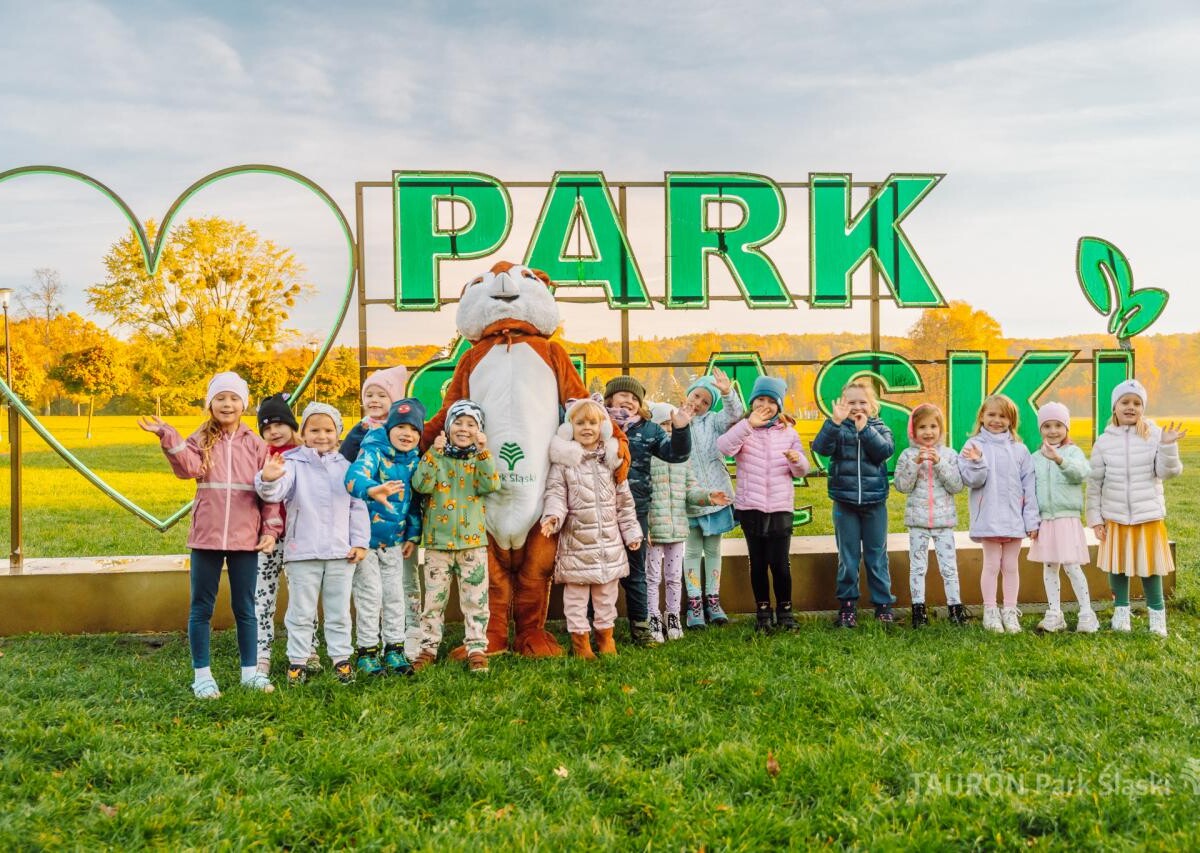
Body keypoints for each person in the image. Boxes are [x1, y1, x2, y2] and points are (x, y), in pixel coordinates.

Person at [138, 371, 282, 698]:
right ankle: (202, 675)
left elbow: (269, 493)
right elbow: (187, 468)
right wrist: (168, 436)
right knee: (201, 607)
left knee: (246, 606)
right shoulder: (201, 438)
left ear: (243, 404)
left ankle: (250, 674)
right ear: (211, 403)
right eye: (220, 398)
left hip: (246, 538)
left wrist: (270, 530)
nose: (227, 404)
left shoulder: (257, 445)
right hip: (207, 536)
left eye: (233, 398)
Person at [257, 402, 370, 686]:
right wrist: (268, 479)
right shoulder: (293, 463)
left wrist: (360, 542)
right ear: (304, 433)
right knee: (301, 612)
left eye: (328, 430)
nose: (322, 436)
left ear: (338, 433)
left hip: (339, 553)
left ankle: (341, 658)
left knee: (339, 610)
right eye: (314, 430)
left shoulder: (347, 467)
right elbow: (277, 491)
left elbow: (357, 506)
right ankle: (298, 660)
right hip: (302, 552)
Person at [541, 396, 643, 658]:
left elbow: (624, 502)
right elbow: (555, 494)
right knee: (575, 598)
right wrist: (553, 516)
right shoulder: (564, 464)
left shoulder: (612, 461)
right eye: (580, 423)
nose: (587, 428)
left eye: (593, 423)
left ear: (603, 427)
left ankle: (605, 637)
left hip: (608, 543)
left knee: (606, 597)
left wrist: (631, 532)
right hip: (577, 544)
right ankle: (580, 642)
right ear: (569, 428)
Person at [1086, 380, 1185, 636]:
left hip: (1147, 516)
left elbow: (1168, 472)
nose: (1131, 407)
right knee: (1117, 567)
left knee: (1150, 568)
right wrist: (1096, 518)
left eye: (1137, 403)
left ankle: (1157, 616)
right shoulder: (1104, 441)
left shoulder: (1154, 435)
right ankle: (1121, 613)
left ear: (1143, 407)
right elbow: (1094, 483)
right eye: (1125, 402)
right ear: (1115, 407)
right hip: (1115, 516)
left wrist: (1168, 446)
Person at [411, 400, 501, 673]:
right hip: (438, 544)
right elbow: (420, 484)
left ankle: (476, 648)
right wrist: (434, 455)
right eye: (458, 423)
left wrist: (484, 453)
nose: (464, 429)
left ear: (479, 430)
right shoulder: (435, 456)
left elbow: (492, 484)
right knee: (434, 600)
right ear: (448, 428)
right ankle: (428, 647)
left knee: (476, 599)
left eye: (471, 424)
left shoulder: (479, 459)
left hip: (472, 543)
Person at [717, 376, 810, 632]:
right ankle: (763, 612)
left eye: (771, 401)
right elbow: (724, 447)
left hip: (780, 508)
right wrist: (748, 424)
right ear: (752, 402)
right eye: (760, 399)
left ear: (779, 405)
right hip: (751, 508)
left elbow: (803, 469)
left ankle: (785, 612)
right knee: (757, 563)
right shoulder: (744, 429)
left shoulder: (788, 432)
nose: (765, 405)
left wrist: (796, 459)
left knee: (780, 563)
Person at [604, 376, 692, 646]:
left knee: (636, 572)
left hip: (636, 510)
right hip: (600, 511)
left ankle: (641, 628)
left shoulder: (651, 430)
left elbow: (676, 455)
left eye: (634, 398)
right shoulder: (599, 425)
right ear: (609, 400)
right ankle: (595, 628)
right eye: (622, 396)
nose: (628, 401)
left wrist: (680, 430)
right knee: (599, 570)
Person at [344, 398, 426, 676]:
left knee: (394, 595)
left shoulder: (414, 460)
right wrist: (372, 489)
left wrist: (413, 535)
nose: (407, 434)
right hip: (365, 542)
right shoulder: (373, 452)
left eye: (414, 430)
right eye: (401, 427)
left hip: (393, 542)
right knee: (370, 595)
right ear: (389, 427)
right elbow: (353, 477)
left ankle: (394, 649)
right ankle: (367, 651)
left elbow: (414, 502)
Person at [811, 380, 896, 627]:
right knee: (847, 557)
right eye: (851, 402)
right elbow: (821, 448)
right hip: (845, 503)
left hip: (874, 503)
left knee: (876, 555)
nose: (857, 406)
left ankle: (883, 605)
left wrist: (864, 430)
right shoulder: (837, 428)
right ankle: (847, 606)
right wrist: (834, 423)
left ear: (872, 406)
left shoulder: (880, 427)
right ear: (841, 405)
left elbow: (884, 451)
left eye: (862, 402)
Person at [645, 401, 731, 642]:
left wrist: (707, 497)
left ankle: (672, 615)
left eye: (672, 425)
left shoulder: (683, 460)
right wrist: (643, 525)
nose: (669, 429)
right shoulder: (647, 459)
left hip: (677, 530)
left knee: (673, 577)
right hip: (654, 529)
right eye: (663, 424)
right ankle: (652, 617)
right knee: (652, 577)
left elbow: (691, 490)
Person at [959, 394, 1040, 634]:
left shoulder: (1020, 450)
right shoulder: (973, 446)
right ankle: (991, 611)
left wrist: (1031, 520)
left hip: (1014, 518)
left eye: (1002, 416)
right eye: (991, 414)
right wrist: (977, 462)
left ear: (1011, 420)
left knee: (1011, 566)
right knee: (992, 564)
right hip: (989, 517)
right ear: (982, 416)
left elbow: (1029, 488)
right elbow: (973, 480)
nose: (996, 420)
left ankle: (1010, 611)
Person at [250, 392, 314, 676]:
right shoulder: (260, 456)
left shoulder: (307, 455)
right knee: (263, 596)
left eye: (279, 424)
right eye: (266, 426)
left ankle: (307, 648)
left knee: (303, 595)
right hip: (266, 538)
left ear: (292, 425)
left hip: (300, 536)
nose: (273, 431)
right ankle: (261, 651)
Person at [892, 403, 967, 627]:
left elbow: (956, 486)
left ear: (940, 429)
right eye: (922, 427)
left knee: (949, 567)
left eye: (933, 426)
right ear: (913, 431)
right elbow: (901, 486)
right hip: (918, 523)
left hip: (944, 523)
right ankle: (918, 611)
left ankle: (955, 609)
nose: (928, 431)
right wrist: (915, 465)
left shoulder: (949, 455)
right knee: (917, 567)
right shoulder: (907, 455)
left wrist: (940, 463)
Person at [1028, 402, 1099, 634]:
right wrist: (1033, 520)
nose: (1053, 430)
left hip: (1066, 518)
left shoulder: (1073, 452)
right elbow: (1030, 489)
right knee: (1050, 567)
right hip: (1046, 520)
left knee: (1071, 566)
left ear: (1066, 427)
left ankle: (1087, 613)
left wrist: (1059, 459)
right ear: (1041, 429)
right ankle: (1054, 614)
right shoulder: (1035, 457)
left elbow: (1082, 473)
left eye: (1058, 425)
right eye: (1047, 425)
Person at [681, 368, 743, 628]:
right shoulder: (677, 420)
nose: (698, 403)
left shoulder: (715, 422)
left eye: (705, 401)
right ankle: (694, 604)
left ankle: (713, 600)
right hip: (691, 497)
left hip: (717, 495)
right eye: (696, 396)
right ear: (687, 394)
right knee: (692, 549)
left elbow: (736, 415)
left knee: (714, 549)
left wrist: (727, 393)